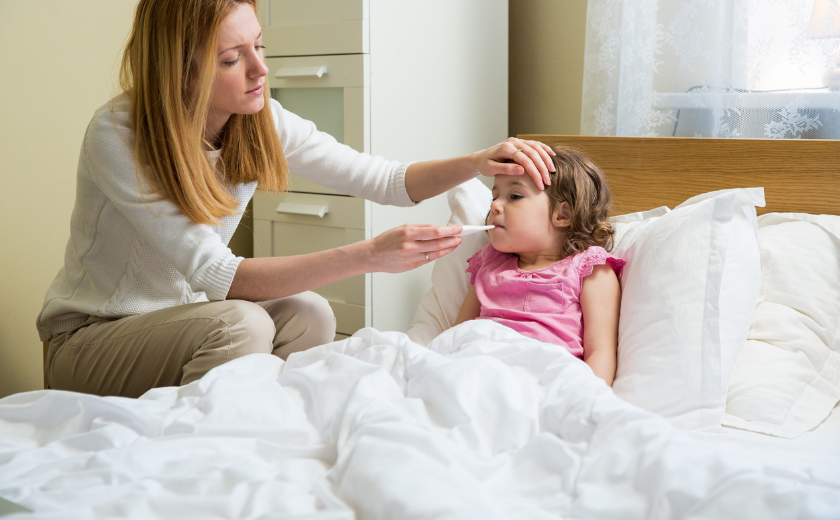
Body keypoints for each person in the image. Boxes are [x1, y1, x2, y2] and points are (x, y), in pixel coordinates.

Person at [35, 0, 557, 398]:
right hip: (92, 339)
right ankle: (200, 447)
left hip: (185, 322)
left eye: (258, 46)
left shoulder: (258, 120)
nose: (260, 70)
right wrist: (368, 256)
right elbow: (222, 278)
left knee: (311, 314)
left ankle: (265, 427)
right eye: (232, 58)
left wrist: (476, 161)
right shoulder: (120, 134)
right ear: (182, 70)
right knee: (242, 322)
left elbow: (386, 181)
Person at [454, 146, 624, 385]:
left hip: (541, 380)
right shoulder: (489, 262)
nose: (494, 206)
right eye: (495, 196)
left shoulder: (589, 268)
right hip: (477, 371)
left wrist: (588, 401)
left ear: (562, 214)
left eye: (514, 196)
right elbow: (457, 334)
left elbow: (600, 350)